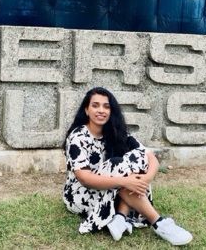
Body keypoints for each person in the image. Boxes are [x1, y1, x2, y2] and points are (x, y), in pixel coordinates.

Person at [63, 87, 193, 245]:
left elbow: (150, 157)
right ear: (86, 110)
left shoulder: (115, 132)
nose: (101, 110)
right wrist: (126, 181)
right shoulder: (78, 136)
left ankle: (120, 218)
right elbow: (84, 178)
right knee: (118, 165)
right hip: (80, 196)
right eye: (95, 105)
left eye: (106, 106)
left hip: (111, 188)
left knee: (137, 157)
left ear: (112, 111)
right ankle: (159, 223)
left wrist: (144, 179)